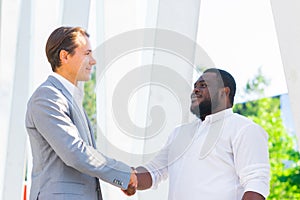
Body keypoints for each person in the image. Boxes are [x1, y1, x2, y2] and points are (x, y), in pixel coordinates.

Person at [25, 26, 137, 200]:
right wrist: (123, 174)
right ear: (64, 56)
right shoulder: (47, 97)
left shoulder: (70, 99)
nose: (93, 61)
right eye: (87, 53)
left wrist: (123, 177)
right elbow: (75, 153)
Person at [124, 68, 270, 199]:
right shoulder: (179, 133)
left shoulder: (244, 129)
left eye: (203, 85)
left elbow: (256, 183)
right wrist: (127, 176)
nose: (195, 90)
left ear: (224, 92)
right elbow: (153, 171)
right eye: (195, 86)